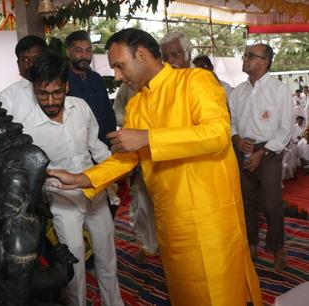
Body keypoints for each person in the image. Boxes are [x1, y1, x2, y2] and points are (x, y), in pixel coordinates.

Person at [47, 28, 262, 306]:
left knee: (219, 293)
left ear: (143, 55)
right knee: (186, 292)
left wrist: (148, 138)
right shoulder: (136, 104)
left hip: (209, 217)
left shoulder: (195, 81)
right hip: (170, 218)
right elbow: (127, 158)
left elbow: (216, 135)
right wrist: (82, 179)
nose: (118, 76)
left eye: (119, 66)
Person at [22, 51, 124, 306]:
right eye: (42, 94)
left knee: (107, 257)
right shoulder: (27, 126)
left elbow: (96, 147)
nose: (50, 101)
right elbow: (30, 171)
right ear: (34, 89)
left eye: (57, 92)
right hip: (62, 201)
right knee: (73, 266)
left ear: (66, 86)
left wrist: (114, 169)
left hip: (94, 193)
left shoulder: (81, 107)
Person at [229, 43, 293, 270]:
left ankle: (277, 248)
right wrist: (236, 139)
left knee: (272, 202)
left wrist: (263, 151)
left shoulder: (280, 90)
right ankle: (251, 243)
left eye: (250, 56)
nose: (244, 59)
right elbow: (231, 123)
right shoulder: (238, 91)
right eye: (245, 55)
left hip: (269, 152)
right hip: (243, 149)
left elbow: (286, 129)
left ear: (264, 62)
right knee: (247, 201)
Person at [113, 83, 158, 264]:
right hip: (139, 155)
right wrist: (133, 127)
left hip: (169, 158)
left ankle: (170, 247)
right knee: (142, 205)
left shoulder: (175, 84)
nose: (118, 75)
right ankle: (146, 247)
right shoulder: (127, 87)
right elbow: (116, 112)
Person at [65, 30, 117, 148]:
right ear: (68, 52)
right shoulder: (62, 81)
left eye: (88, 50)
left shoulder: (96, 78)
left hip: (105, 145)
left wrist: (112, 139)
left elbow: (108, 111)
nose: (84, 55)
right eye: (78, 51)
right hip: (80, 149)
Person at [0, 35, 47, 123]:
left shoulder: (62, 90)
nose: (31, 64)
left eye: (37, 58)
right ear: (18, 63)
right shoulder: (6, 98)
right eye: (25, 59)